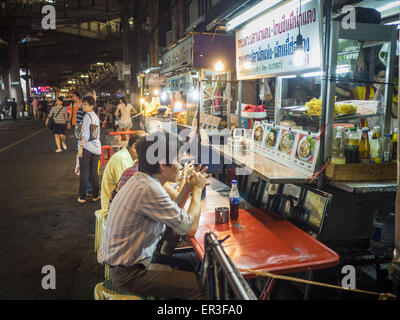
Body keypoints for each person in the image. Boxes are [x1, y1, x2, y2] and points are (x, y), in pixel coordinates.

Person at [98, 132, 209, 299]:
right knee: (205, 288)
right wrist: (197, 189)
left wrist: (186, 188)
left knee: (191, 265)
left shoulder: (142, 180)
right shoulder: (149, 189)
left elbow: (172, 213)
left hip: (133, 264)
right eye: (178, 161)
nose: (180, 166)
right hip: (130, 275)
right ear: (163, 164)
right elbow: (190, 228)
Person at [100, 130, 147, 219]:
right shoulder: (122, 159)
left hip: (119, 204)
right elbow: (128, 192)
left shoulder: (129, 157)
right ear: (135, 145)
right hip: (112, 210)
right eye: (146, 147)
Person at [77, 95, 101, 204]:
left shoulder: (87, 116)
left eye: (85, 104)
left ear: (91, 105)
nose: (83, 105)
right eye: (83, 103)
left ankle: (82, 197)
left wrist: (80, 148)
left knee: (84, 173)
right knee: (94, 172)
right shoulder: (95, 116)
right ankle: (95, 195)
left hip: (87, 147)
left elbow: (85, 135)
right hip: (96, 147)